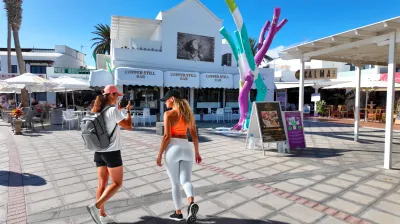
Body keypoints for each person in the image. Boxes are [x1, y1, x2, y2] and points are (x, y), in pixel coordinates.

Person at [86, 85, 132, 224]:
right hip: (112, 152)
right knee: (117, 183)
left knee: (102, 184)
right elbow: (129, 126)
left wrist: (119, 110)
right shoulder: (112, 110)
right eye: (117, 95)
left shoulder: (96, 110)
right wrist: (128, 112)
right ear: (111, 95)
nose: (118, 97)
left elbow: (110, 122)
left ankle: (102, 216)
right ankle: (96, 207)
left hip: (98, 151)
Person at [157, 89, 202, 223]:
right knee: (186, 181)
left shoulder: (169, 114)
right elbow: (194, 135)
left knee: (175, 184)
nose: (164, 103)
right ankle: (191, 202)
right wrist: (197, 152)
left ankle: (178, 213)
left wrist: (159, 155)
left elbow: (166, 136)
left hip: (173, 148)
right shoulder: (188, 114)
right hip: (187, 148)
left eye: (165, 100)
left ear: (171, 99)